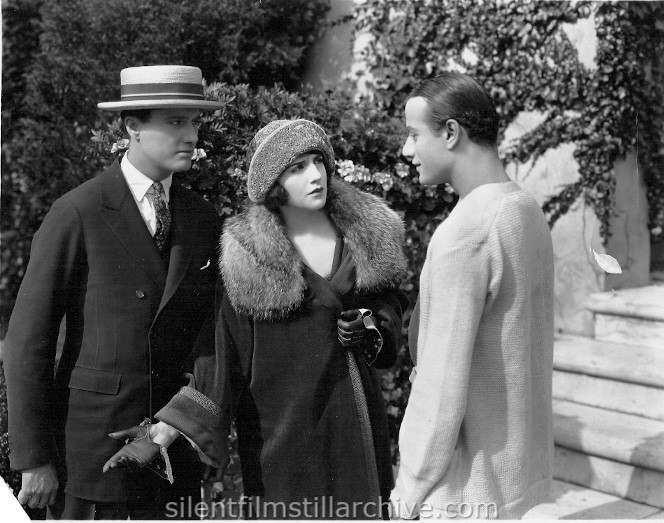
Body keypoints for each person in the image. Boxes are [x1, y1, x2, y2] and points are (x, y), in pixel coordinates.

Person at [103, 118, 409, 520]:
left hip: (356, 432)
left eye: (318, 161)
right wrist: (166, 430)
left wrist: (373, 325)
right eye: (297, 168)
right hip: (283, 443)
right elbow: (222, 359)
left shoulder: (365, 233)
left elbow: (391, 304)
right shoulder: (248, 258)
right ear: (271, 182)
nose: (315, 175)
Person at [3, 65, 223, 519]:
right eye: (175, 122)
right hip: (91, 453)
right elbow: (28, 342)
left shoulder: (202, 219)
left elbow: (211, 337)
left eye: (195, 122)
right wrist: (33, 460)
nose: (191, 136)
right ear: (132, 127)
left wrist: (189, 424)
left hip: (171, 453)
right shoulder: (78, 211)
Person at [390, 73, 554, 520]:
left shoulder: (465, 234)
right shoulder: (526, 209)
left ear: (450, 132)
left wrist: (410, 486)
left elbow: (440, 383)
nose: (407, 151)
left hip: (463, 491)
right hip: (514, 478)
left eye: (413, 135)